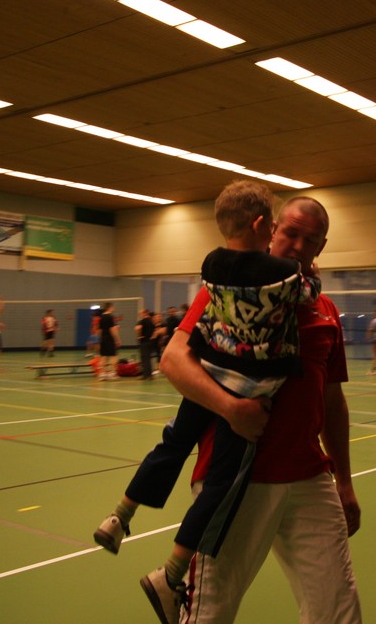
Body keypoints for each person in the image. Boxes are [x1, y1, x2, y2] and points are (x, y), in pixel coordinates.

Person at [93, 181, 321, 624]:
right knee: (222, 486)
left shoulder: (211, 265)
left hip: (208, 374)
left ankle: (120, 515)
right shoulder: (282, 274)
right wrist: (310, 270)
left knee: (172, 445)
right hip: (243, 389)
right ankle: (171, 573)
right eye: (274, 227)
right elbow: (308, 291)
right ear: (262, 225)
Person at [158, 194, 360, 624]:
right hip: (236, 478)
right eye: (291, 233)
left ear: (321, 247)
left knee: (338, 609)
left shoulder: (325, 310)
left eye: (311, 240)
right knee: (210, 611)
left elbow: (332, 401)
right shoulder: (229, 291)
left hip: (309, 477)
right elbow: (173, 361)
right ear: (272, 230)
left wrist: (344, 481)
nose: (298, 246)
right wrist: (231, 408)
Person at [96, 302, 120, 380]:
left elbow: (99, 330)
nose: (113, 309)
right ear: (109, 307)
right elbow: (113, 329)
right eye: (113, 307)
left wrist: (100, 339)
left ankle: (102, 374)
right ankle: (112, 374)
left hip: (103, 339)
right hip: (110, 339)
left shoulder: (101, 317)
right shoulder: (110, 317)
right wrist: (117, 340)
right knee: (114, 356)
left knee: (103, 357)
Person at [137, 307, 157, 379]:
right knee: (148, 358)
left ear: (145, 313)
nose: (140, 315)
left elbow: (138, 328)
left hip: (144, 342)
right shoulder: (151, 321)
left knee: (144, 359)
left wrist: (139, 336)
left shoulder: (142, 321)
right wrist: (152, 337)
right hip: (150, 342)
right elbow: (155, 331)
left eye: (141, 313)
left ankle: (145, 375)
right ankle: (149, 375)